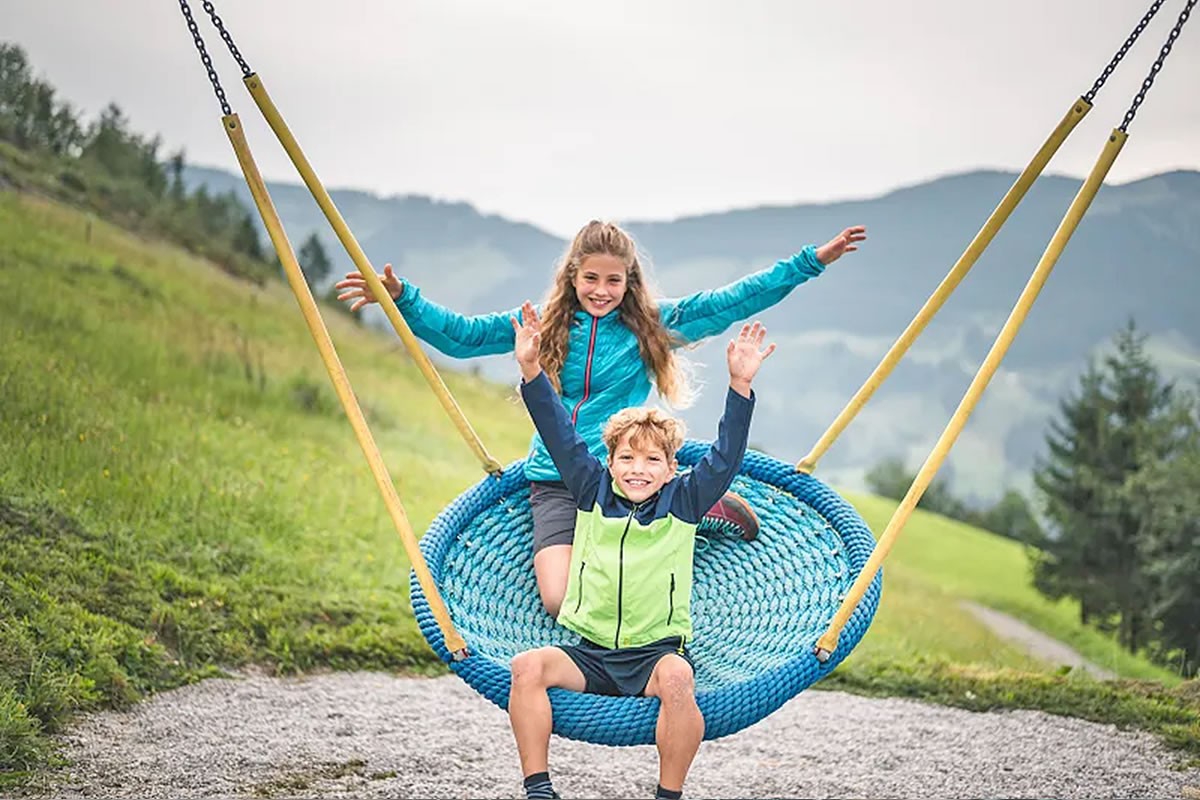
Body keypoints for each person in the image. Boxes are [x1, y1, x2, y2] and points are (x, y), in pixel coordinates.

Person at [336, 220, 865, 616]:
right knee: (557, 600)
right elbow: (461, 335)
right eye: (591, 278)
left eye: (614, 281)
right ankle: (685, 510)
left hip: (626, 476)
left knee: (640, 586)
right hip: (557, 479)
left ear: (629, 280)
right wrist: (403, 298)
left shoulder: (650, 326)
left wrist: (810, 261)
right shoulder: (538, 325)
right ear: (573, 275)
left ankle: (693, 509)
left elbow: (736, 298)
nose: (601, 291)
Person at [506, 302, 773, 800]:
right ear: (608, 462)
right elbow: (559, 433)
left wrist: (739, 387)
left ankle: (667, 794)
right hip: (591, 652)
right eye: (626, 457)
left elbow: (725, 457)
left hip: (654, 654)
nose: (637, 468)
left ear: (671, 469)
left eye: (652, 460)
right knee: (526, 667)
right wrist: (531, 370)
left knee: (678, 679)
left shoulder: (685, 501)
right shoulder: (589, 489)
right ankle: (539, 789)